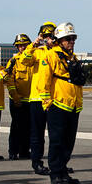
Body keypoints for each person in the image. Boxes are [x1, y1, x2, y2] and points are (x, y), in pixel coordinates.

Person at [44, 23, 84, 184]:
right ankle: (55, 175)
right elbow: (44, 79)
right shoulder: (51, 55)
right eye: (68, 39)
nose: (72, 41)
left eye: (73, 38)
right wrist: (47, 102)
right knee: (57, 141)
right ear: (59, 40)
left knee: (69, 142)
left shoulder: (72, 57)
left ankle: (63, 172)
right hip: (58, 104)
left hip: (73, 104)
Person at [27, 23, 57, 175]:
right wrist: (34, 43)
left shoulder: (59, 52)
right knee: (37, 134)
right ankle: (36, 162)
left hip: (54, 99)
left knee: (56, 135)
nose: (47, 39)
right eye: (44, 36)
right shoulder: (37, 52)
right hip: (37, 98)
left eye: (50, 35)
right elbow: (25, 61)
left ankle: (56, 164)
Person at [6, 32, 36, 160]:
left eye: (24, 45)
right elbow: (9, 80)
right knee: (16, 127)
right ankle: (13, 151)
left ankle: (24, 151)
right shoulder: (13, 61)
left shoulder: (34, 59)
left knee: (29, 127)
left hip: (32, 100)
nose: (21, 48)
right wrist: (15, 96)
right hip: (17, 100)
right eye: (19, 46)